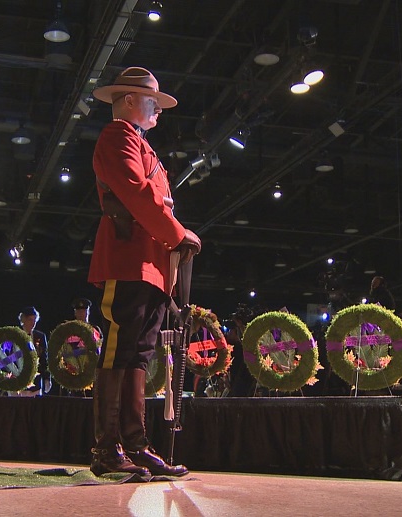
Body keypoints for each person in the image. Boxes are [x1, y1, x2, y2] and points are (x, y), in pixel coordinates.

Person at [87, 66, 201, 478]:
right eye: (152, 101)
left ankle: (134, 444)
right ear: (130, 100)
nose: (158, 109)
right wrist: (177, 234)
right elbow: (136, 194)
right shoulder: (118, 136)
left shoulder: (140, 144)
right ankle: (107, 449)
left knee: (138, 353)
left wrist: (173, 241)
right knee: (119, 351)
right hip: (127, 259)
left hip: (149, 263)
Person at [17, 306, 50, 396]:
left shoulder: (40, 336)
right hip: (18, 383)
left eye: (34, 320)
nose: (33, 323)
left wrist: (47, 378)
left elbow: (44, 359)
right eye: (30, 320)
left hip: (36, 383)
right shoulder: (14, 335)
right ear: (23, 320)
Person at [227, 304, 256, 397]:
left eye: (232, 330)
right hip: (238, 377)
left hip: (245, 376)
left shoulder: (244, 346)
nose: (228, 333)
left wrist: (240, 326)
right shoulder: (234, 347)